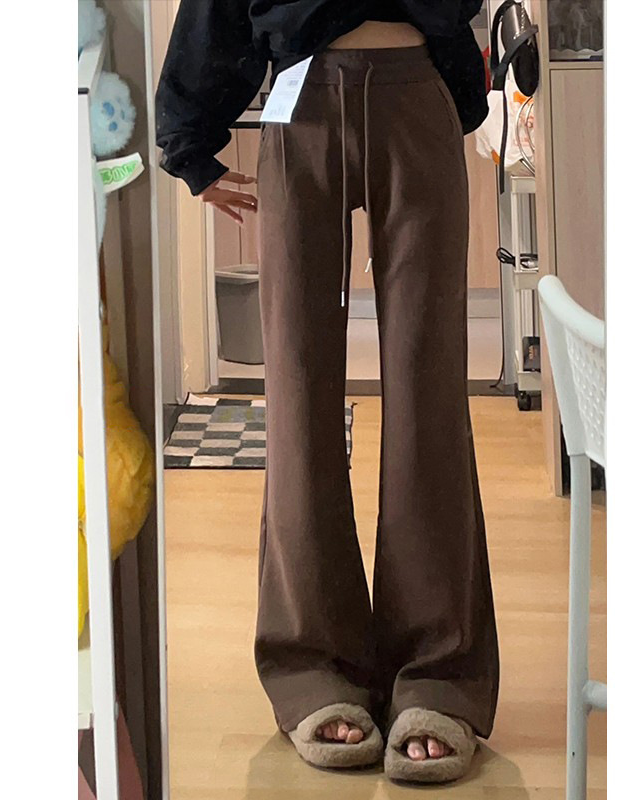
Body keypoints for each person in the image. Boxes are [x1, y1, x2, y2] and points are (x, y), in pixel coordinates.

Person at [156, 0, 499, 784]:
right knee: (298, 391)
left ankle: (438, 670)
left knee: (429, 395)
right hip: (301, 95)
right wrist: (191, 144)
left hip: (418, 85)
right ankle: (313, 662)